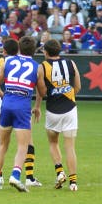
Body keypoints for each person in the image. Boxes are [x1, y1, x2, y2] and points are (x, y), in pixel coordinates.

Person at [0, 38, 42, 186]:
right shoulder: (36, 66)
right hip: (22, 106)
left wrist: (1, 98)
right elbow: (42, 90)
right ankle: (21, 175)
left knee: (1, 143)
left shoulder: (3, 62)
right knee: (24, 144)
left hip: (4, 105)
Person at [34, 39, 80, 191]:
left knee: (53, 143)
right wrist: (67, 94)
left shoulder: (42, 67)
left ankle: (60, 172)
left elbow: (42, 92)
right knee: (70, 147)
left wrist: (38, 105)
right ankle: (73, 183)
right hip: (70, 109)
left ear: (46, 52)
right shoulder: (71, 63)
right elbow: (78, 86)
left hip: (53, 110)